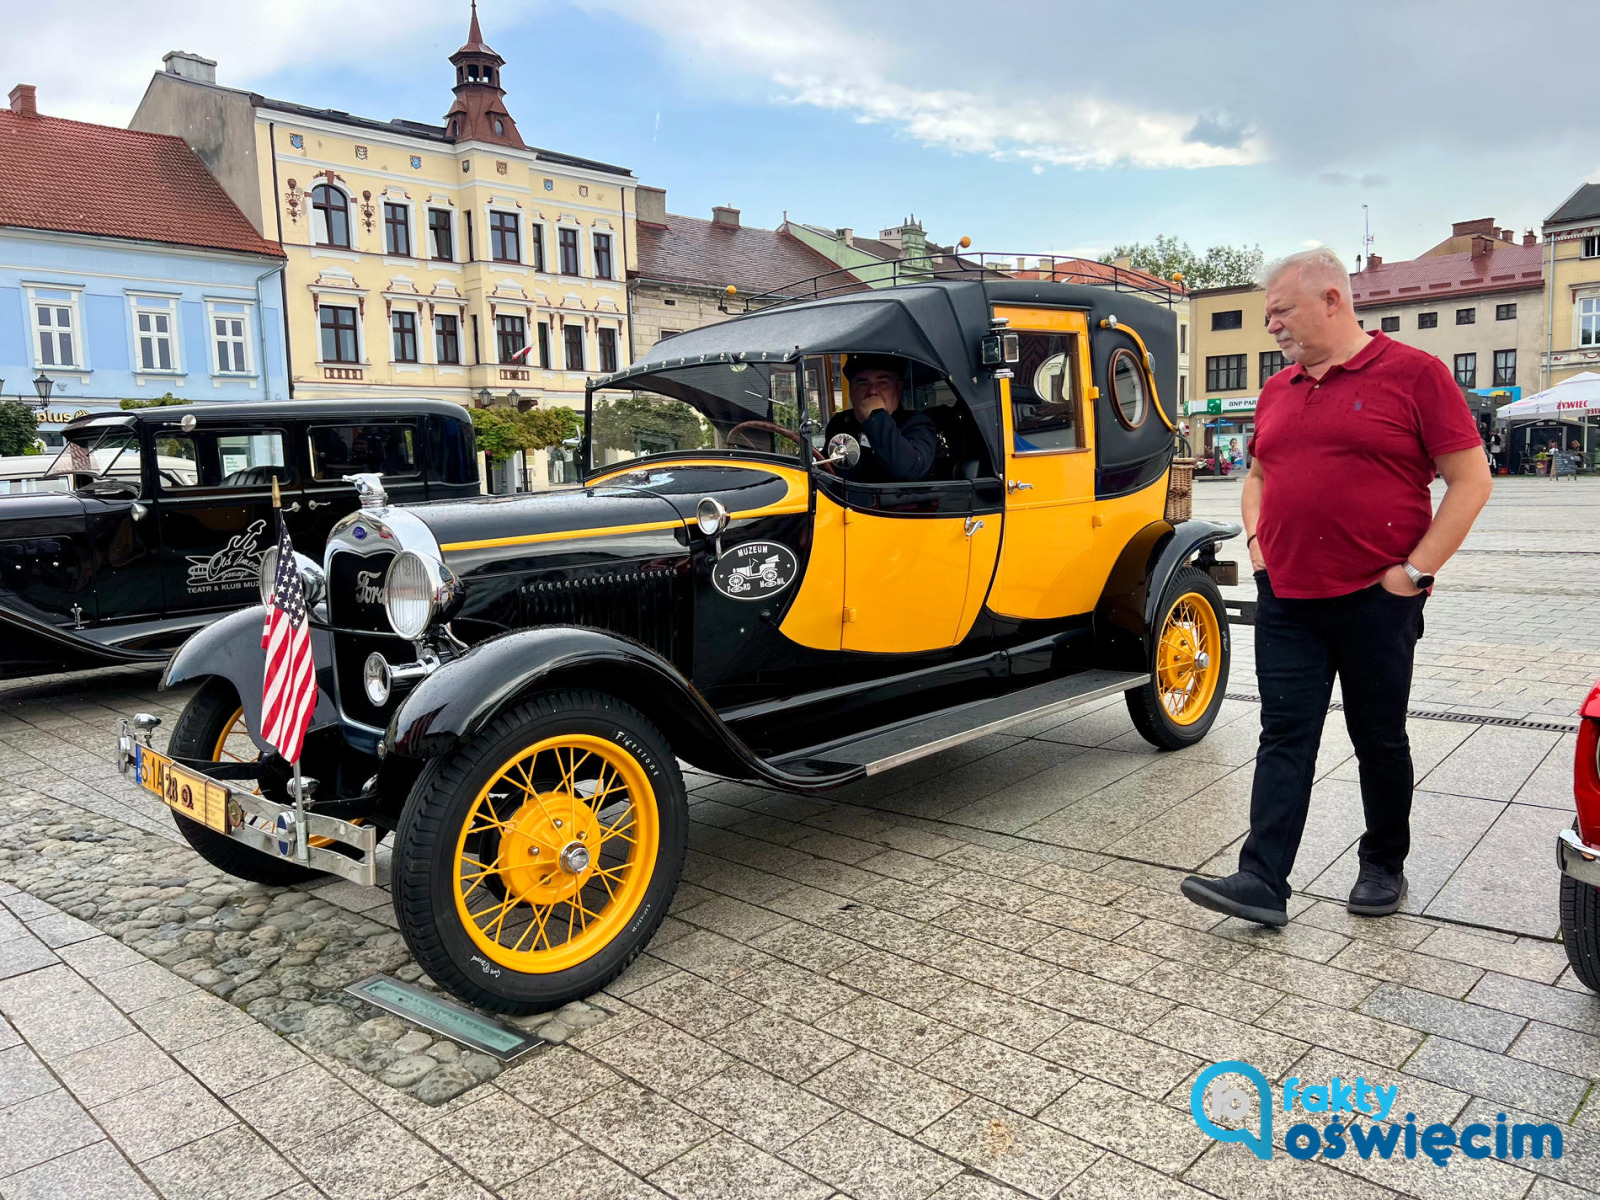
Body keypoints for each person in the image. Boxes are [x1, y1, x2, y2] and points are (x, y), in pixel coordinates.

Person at [1180, 247, 1492, 927]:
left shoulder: (1416, 374)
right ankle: (1263, 880)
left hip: (1376, 601)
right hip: (1288, 599)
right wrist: (1259, 549)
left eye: (1281, 311)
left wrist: (1413, 573)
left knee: (1378, 737)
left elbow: (1471, 481)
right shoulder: (1277, 389)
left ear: (1332, 300)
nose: (1271, 326)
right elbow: (1258, 477)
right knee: (1283, 735)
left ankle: (1383, 863)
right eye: (1267, 315)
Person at [825, 354, 938, 482]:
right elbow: (827, 469)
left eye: (883, 383)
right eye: (862, 383)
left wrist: (876, 416)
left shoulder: (917, 424)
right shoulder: (841, 423)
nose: (872, 391)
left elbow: (907, 470)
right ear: (851, 391)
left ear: (898, 388)